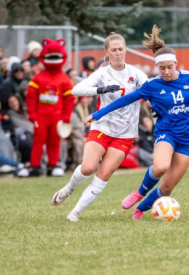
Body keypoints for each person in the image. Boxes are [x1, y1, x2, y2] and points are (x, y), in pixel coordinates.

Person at [81, 25, 189, 220]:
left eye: (169, 67)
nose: (165, 71)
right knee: (160, 167)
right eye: (161, 68)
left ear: (176, 64)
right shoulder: (152, 85)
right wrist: (98, 114)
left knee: (167, 187)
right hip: (167, 132)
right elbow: (125, 100)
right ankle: (140, 192)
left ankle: (140, 208)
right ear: (157, 67)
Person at [50, 32, 147, 221]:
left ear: (125, 50)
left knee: (104, 173)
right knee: (88, 168)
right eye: (114, 50)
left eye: (121, 49)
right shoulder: (103, 73)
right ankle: (68, 189)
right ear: (107, 52)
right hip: (102, 127)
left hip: (125, 134)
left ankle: (75, 212)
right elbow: (76, 89)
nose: (118, 53)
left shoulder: (136, 73)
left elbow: (151, 89)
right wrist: (100, 90)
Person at [24, 38, 75, 177]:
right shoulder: (38, 77)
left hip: (57, 116)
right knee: (38, 142)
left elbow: (70, 99)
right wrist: (32, 113)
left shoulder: (65, 79)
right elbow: (31, 97)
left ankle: (53, 165)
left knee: (55, 142)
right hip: (41, 115)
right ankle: (35, 167)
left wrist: (66, 116)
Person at [7, 95, 33, 164]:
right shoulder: (10, 114)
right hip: (19, 135)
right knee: (28, 143)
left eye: (15, 101)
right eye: (11, 102)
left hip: (32, 133)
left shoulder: (25, 111)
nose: (14, 103)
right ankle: (27, 162)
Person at [70, 96, 93, 170]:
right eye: (84, 98)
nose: (86, 100)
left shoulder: (87, 110)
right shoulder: (75, 112)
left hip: (84, 134)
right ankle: (79, 164)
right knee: (80, 143)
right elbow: (75, 127)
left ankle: (91, 164)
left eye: (87, 98)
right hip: (75, 135)